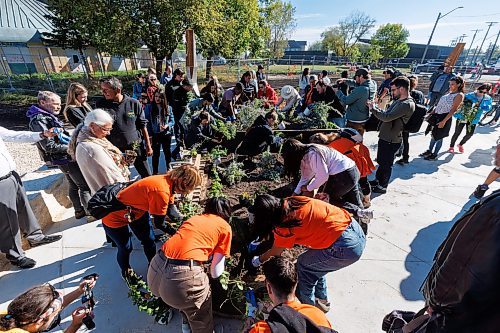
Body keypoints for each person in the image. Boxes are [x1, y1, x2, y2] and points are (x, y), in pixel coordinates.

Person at [421, 141, 499, 332]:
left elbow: (463, 262)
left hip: (464, 314)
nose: (496, 148)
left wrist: (436, 301)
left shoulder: (496, 209)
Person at [250, 195, 366, 311]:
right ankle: (322, 301)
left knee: (304, 267)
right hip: (353, 228)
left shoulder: (285, 226)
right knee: (315, 265)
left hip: (344, 247)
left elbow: (275, 252)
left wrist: (257, 260)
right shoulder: (293, 201)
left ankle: (308, 313)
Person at [102, 164, 201, 283]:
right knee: (125, 247)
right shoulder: (161, 191)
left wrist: (186, 221)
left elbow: (171, 209)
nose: (186, 191)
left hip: (136, 210)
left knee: (149, 239)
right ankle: (126, 272)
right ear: (181, 181)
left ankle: (152, 266)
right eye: (188, 187)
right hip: (114, 216)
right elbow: (160, 224)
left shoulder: (169, 181)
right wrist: (179, 233)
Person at [148, 197, 232, 333]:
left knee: (183, 300)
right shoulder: (224, 227)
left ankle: (186, 326)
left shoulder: (194, 219)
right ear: (227, 213)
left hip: (155, 270)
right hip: (179, 281)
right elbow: (216, 272)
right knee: (200, 310)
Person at [0, 126, 62, 269]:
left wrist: (42, 134)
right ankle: (16, 256)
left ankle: (36, 237)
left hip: (12, 175)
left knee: (23, 208)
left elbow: (14, 135)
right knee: (7, 220)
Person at [27, 91, 92, 220]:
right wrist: (74, 147)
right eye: (55, 104)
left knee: (73, 185)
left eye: (59, 104)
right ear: (42, 103)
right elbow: (49, 146)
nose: (58, 107)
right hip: (64, 157)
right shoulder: (39, 120)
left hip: (64, 157)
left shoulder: (47, 117)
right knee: (84, 185)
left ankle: (79, 211)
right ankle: (91, 213)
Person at [248, 256, 334, 333]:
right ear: (296, 283)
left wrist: (248, 327)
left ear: (269, 288)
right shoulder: (317, 315)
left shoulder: (261, 330)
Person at [281, 138, 363, 210]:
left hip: (343, 176)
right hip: (352, 170)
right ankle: (361, 217)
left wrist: (309, 188)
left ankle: (356, 211)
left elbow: (323, 177)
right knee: (354, 202)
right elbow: (305, 178)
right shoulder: (308, 151)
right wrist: (293, 196)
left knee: (325, 200)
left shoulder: (312, 154)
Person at [96, 77, 153, 178]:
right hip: (115, 149)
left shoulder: (133, 103)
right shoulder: (101, 104)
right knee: (121, 177)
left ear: (117, 90)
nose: (103, 92)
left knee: (147, 175)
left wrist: (148, 146)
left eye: (106, 90)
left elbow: (143, 126)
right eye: (102, 89)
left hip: (136, 147)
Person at [367, 76, 415, 194]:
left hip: (391, 140)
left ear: (402, 89)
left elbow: (387, 117)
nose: (392, 92)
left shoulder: (406, 104)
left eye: (394, 90)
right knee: (382, 163)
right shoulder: (399, 101)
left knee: (386, 165)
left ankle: (382, 186)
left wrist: (373, 109)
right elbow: (387, 113)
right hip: (386, 137)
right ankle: (378, 180)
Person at [0, 276, 98, 333]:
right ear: (39, 321)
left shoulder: (10, 315)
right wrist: (75, 325)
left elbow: (51, 308)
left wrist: (79, 291)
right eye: (55, 315)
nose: (56, 315)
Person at [310, 128, 375, 209]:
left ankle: (360, 204)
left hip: (352, 161)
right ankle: (366, 201)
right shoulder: (337, 138)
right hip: (361, 153)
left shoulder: (327, 149)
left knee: (355, 186)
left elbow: (325, 174)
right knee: (363, 181)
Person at [68, 109, 130, 195]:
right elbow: (112, 178)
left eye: (110, 129)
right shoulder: (91, 148)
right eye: (105, 129)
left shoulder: (94, 138)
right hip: (112, 197)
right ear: (93, 126)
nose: (108, 133)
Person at [420, 77, 465, 161]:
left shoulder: (459, 95)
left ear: (458, 84)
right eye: (450, 84)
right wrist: (431, 113)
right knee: (433, 135)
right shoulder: (449, 93)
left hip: (445, 117)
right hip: (437, 115)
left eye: (453, 84)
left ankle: (435, 154)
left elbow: (453, 110)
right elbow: (439, 105)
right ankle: (429, 151)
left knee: (439, 137)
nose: (450, 86)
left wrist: (444, 121)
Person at [449, 83, 492, 153]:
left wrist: (487, 107)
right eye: (481, 91)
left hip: (474, 118)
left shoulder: (487, 98)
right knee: (457, 132)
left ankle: (460, 144)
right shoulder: (469, 95)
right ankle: (451, 146)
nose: (482, 93)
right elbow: (460, 103)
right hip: (463, 116)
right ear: (477, 89)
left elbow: (489, 106)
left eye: (485, 92)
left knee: (469, 134)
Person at [335, 68, 377, 135]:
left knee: (349, 140)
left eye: (356, 77)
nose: (355, 79)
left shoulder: (362, 89)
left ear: (361, 77)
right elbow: (357, 83)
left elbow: (346, 100)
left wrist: (338, 92)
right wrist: (345, 80)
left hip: (354, 121)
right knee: (359, 140)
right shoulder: (373, 83)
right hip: (364, 118)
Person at [396, 75, 425, 165]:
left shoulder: (404, 94)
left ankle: (396, 154)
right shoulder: (419, 94)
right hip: (413, 121)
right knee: (405, 139)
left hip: (403, 119)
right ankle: (405, 157)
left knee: (396, 138)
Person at [144, 92, 174, 174]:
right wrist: (149, 135)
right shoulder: (149, 107)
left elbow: (172, 120)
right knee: (156, 154)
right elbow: (147, 122)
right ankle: (155, 172)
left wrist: (167, 125)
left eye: (159, 97)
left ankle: (169, 168)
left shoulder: (168, 108)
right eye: (156, 96)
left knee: (167, 152)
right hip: (155, 134)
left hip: (166, 133)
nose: (157, 98)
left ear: (163, 98)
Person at [171, 79, 193, 159]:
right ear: (185, 86)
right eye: (190, 87)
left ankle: (183, 146)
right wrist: (185, 107)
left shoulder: (187, 93)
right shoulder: (177, 92)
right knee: (179, 130)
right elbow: (177, 104)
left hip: (185, 114)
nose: (191, 89)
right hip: (178, 113)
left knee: (184, 131)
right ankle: (179, 146)